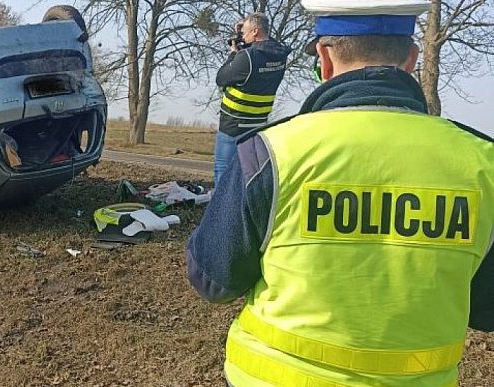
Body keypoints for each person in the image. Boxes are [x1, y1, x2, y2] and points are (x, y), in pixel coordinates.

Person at [187, 0, 494, 386]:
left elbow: (212, 280)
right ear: (413, 58)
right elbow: (487, 310)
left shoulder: (271, 154)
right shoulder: (484, 165)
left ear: (324, 59)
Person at [214, 13, 291, 186]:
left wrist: (233, 55)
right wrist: (246, 31)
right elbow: (267, 45)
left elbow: (221, 78)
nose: (243, 36)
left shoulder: (247, 57)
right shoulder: (280, 55)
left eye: (246, 32)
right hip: (257, 126)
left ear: (255, 31)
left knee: (223, 170)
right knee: (247, 175)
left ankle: (222, 211)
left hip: (233, 125)